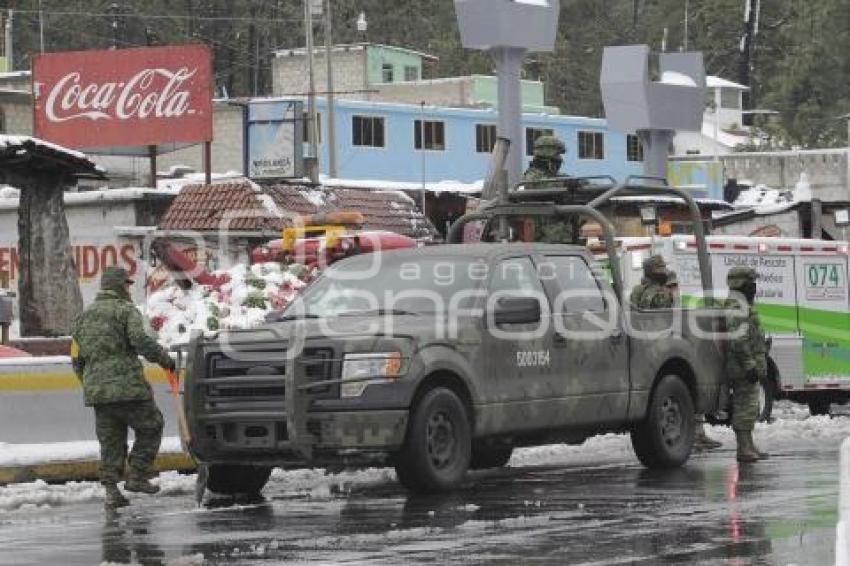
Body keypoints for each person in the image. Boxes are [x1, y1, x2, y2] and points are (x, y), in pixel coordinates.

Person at [70, 266, 177, 507]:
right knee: (151, 425)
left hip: (98, 392)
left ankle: (111, 490)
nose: (129, 289)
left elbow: (76, 357)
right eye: (127, 285)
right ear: (120, 286)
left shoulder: (83, 317)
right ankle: (138, 475)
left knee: (110, 439)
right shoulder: (125, 310)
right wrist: (165, 360)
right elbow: (140, 340)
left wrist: (90, 383)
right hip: (128, 387)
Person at [725, 266, 769, 463]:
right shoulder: (736, 306)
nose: (754, 287)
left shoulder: (742, 303)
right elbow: (738, 338)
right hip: (741, 367)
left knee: (750, 407)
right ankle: (743, 448)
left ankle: (749, 445)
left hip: (746, 364)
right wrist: (750, 364)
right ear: (740, 284)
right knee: (745, 407)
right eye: (750, 283)